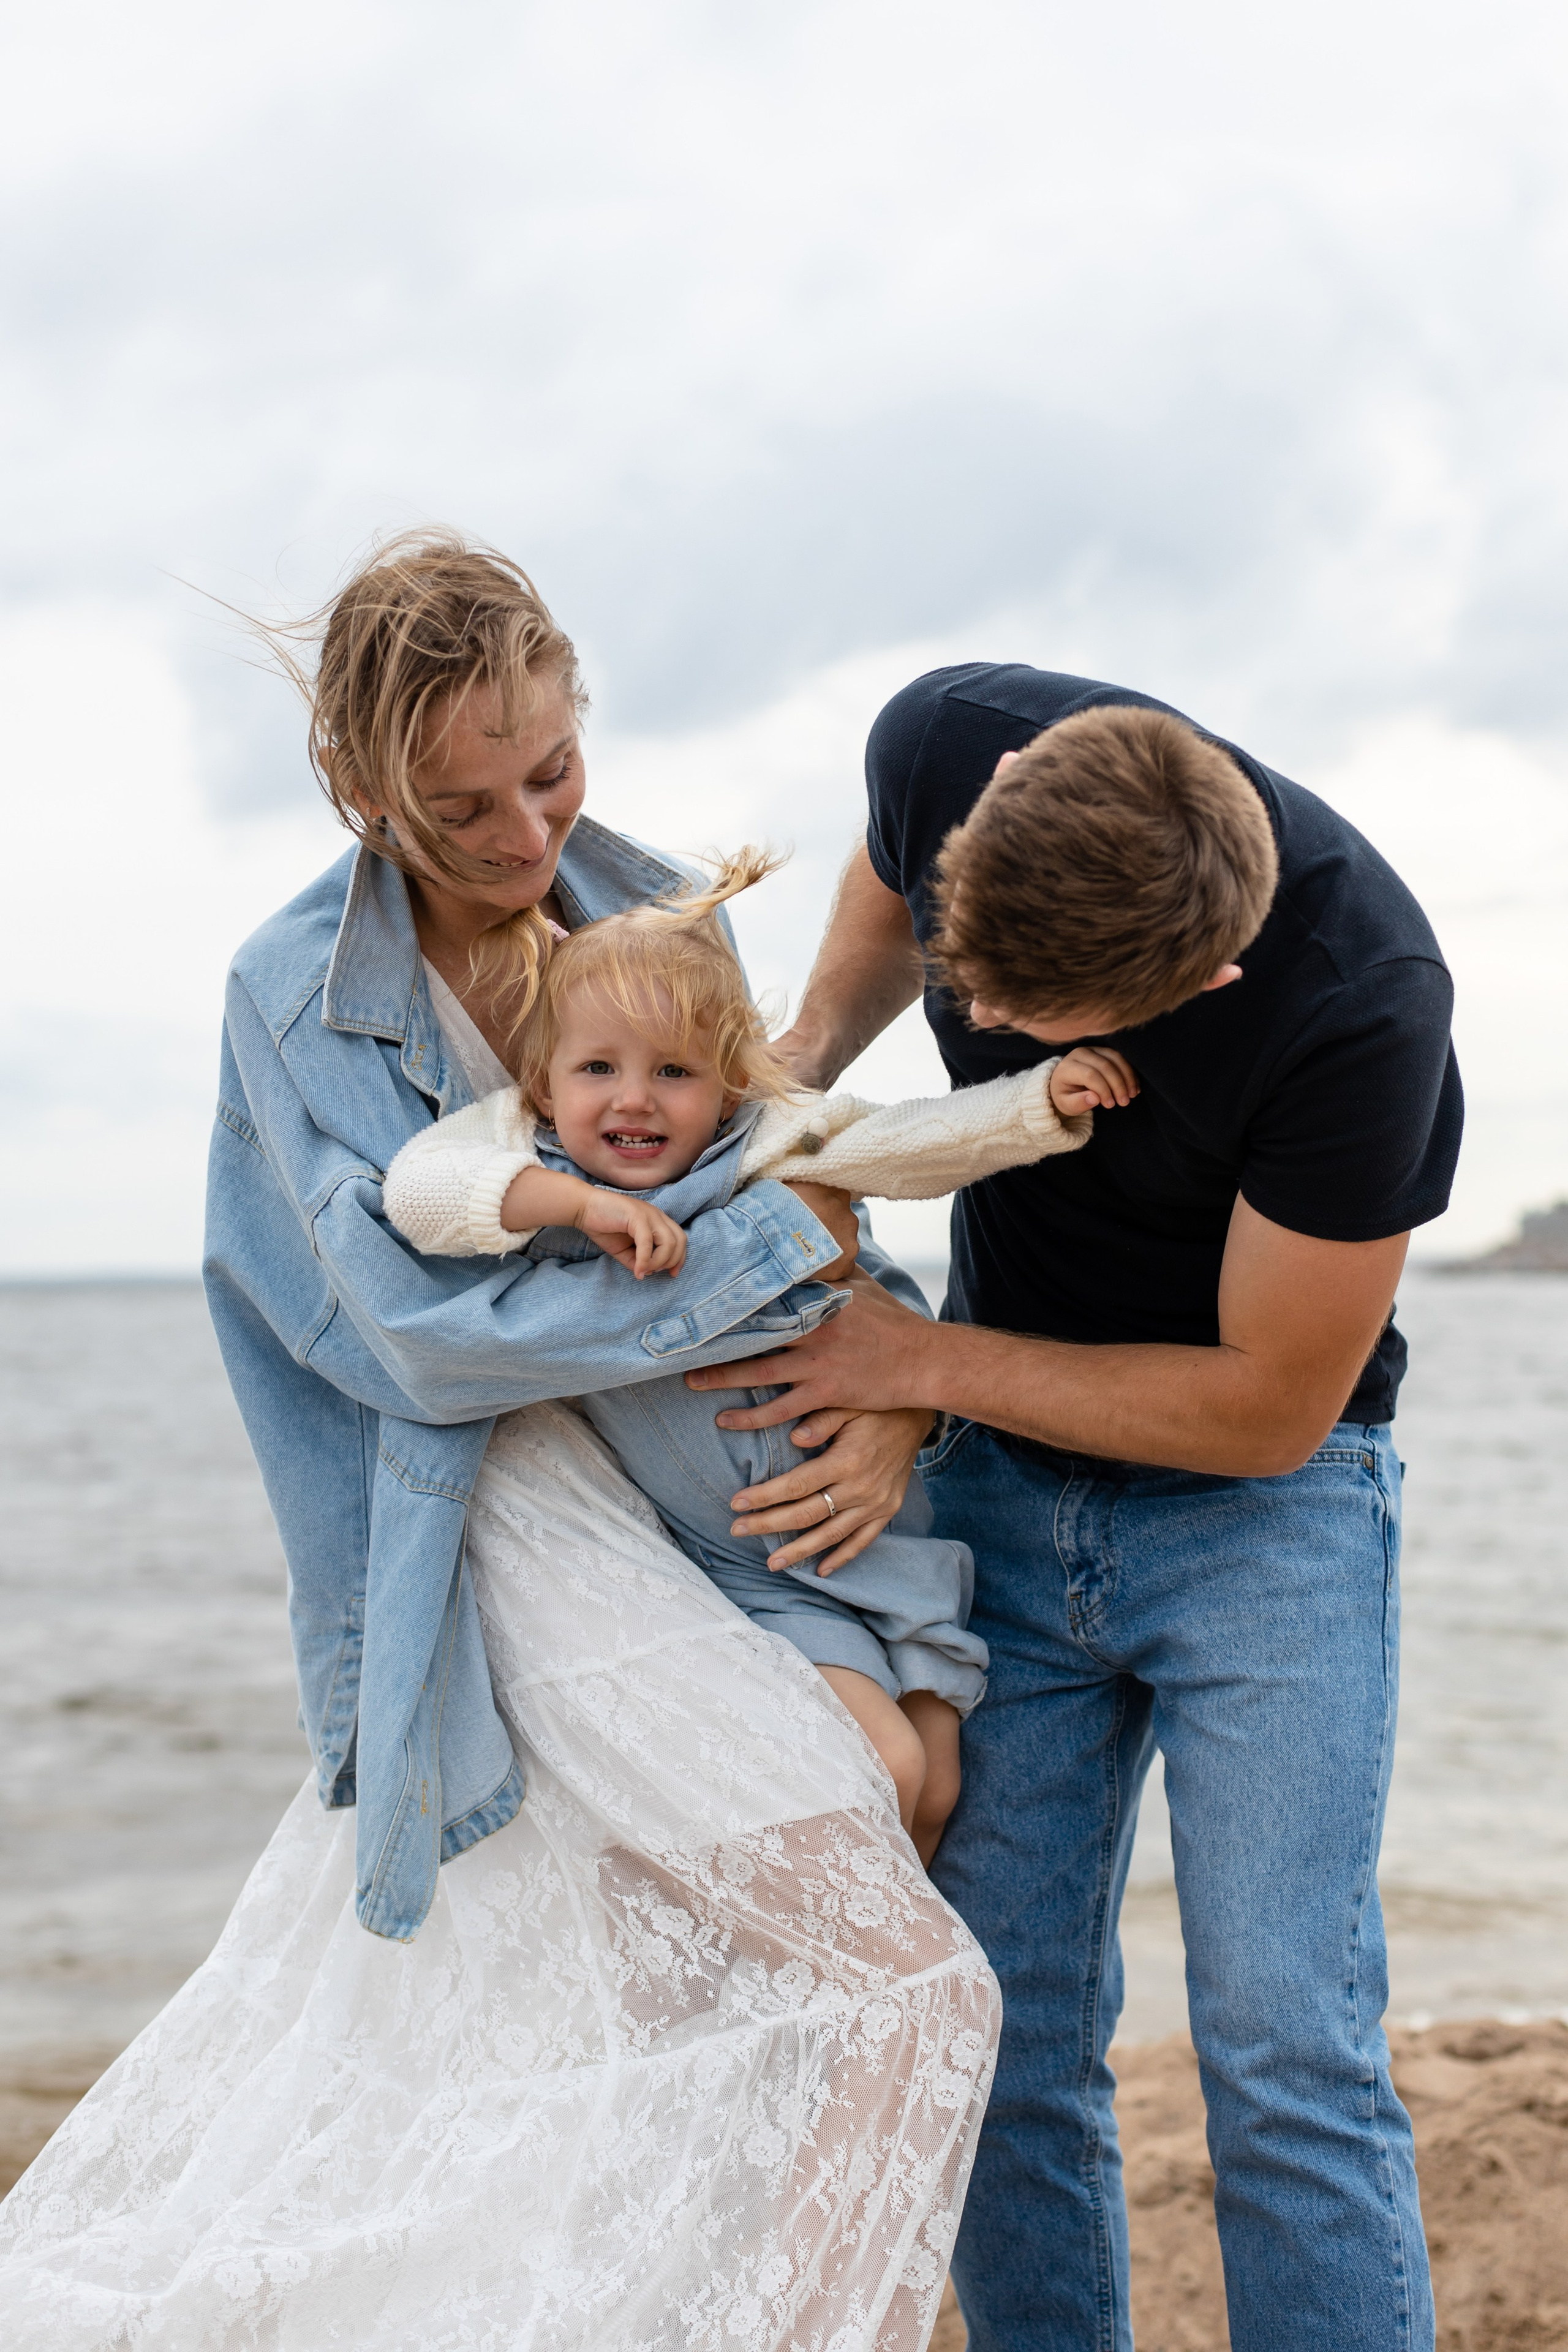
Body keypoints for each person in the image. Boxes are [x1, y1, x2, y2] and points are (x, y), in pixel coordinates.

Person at [0, 541, 1000, 2348]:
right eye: (462, 807)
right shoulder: (297, 991)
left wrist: (899, 1386)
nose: (528, 833)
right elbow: (420, 1338)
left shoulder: (652, 912)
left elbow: (791, 1172)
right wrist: (745, 1279)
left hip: (710, 1495)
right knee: (906, 1985)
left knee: (848, 1851)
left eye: (550, 773)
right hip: (491, 1511)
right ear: (352, 788)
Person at [687, 666, 1463, 2352]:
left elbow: (1268, 1410)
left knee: (1282, 2048)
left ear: (1211, 975)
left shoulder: (1362, 1006)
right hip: (1005, 1492)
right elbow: (888, 925)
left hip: (1270, 1523)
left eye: (1044, 1030)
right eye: (986, 989)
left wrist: (924, 1368)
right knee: (1004, 2028)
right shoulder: (949, 742)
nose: (998, 1046)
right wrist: (807, 1069)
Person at [381, 843, 1123, 1861]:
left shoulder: (766, 1145)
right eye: (598, 1068)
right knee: (890, 1771)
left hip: (885, 1543)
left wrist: (1043, 1103)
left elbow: (919, 1140)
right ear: (543, 1085)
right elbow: (416, 1195)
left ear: (727, 1089)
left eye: (673, 1073)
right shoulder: (529, 1154)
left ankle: (876, 1979)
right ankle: (857, 1968)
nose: (633, 1100)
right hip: (758, 1565)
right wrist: (578, 1203)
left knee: (940, 1782)